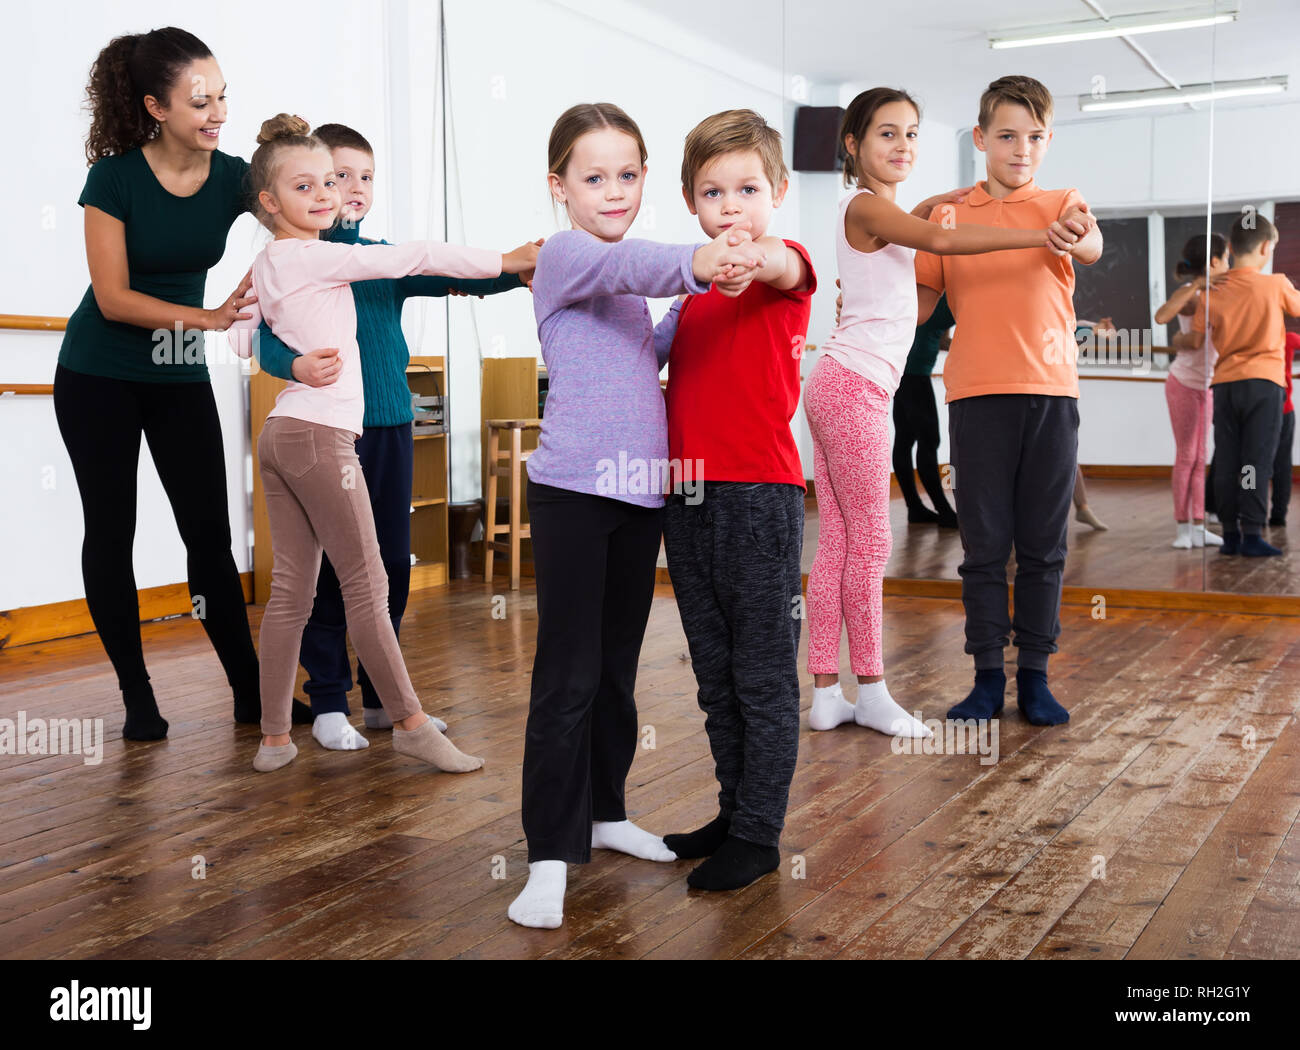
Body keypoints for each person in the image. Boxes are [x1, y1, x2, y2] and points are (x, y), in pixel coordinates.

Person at [508, 103, 765, 929]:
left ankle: (605, 812)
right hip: (576, 494)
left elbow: (647, 341)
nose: (613, 191)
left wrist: (703, 295)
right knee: (569, 675)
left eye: (627, 175)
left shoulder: (618, 279)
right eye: (593, 177)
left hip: (640, 494)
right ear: (560, 187)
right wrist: (705, 257)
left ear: (644, 178)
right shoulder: (569, 257)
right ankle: (549, 853)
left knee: (616, 670)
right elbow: (646, 268)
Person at [228, 114, 537, 772]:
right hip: (324, 436)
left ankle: (285, 735)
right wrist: (511, 258)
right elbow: (420, 257)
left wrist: (514, 273)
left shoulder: (287, 257)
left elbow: (443, 274)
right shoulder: (326, 256)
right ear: (275, 198)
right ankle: (384, 714)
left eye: (357, 179)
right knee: (359, 584)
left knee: (322, 581)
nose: (342, 190)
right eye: (324, 180)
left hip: (315, 431)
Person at [805, 85, 1076, 740]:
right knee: (868, 544)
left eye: (912, 133)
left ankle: (824, 694)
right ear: (853, 145)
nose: (903, 145)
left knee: (840, 541)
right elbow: (938, 240)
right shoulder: (870, 206)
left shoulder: (881, 210)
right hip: (856, 385)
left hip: (842, 381)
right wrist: (1035, 231)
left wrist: (940, 203)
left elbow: (918, 244)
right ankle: (870, 691)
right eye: (886, 133)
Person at [54, 28, 262, 741]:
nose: (217, 111)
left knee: (208, 534)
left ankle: (250, 692)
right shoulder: (113, 179)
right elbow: (111, 297)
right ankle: (138, 696)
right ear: (155, 106)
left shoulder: (235, 176)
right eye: (199, 99)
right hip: (97, 374)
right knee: (112, 532)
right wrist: (207, 316)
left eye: (223, 95)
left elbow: (299, 221)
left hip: (176, 375)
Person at [658, 109, 816, 891]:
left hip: (759, 496)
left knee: (762, 676)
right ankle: (733, 810)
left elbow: (780, 262)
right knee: (715, 675)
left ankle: (759, 833)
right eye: (713, 192)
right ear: (692, 202)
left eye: (748, 189)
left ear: (777, 191)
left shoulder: (781, 271)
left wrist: (756, 254)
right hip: (685, 496)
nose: (731, 207)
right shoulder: (691, 298)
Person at [914, 75, 1102, 726]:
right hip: (975, 394)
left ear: (1047, 142)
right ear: (980, 138)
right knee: (985, 546)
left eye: (1035, 137)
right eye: (1007, 135)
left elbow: (1094, 244)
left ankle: (1037, 677)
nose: (1021, 148)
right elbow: (920, 304)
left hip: (1051, 394)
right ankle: (987, 677)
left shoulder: (1062, 203)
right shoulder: (947, 215)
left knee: (1044, 546)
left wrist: (1075, 233)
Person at [1178, 215, 1300, 556]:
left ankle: (1229, 535)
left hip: (1226, 385)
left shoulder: (1212, 292)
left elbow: (1195, 339)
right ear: (1266, 247)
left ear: (1230, 248)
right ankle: (1251, 535)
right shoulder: (1276, 284)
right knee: (1256, 461)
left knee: (1228, 460)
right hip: (1264, 384)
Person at [1154, 234, 1228, 548]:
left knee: (1201, 457)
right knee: (1186, 456)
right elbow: (1161, 316)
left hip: (1207, 385)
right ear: (1213, 262)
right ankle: (1182, 527)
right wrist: (1195, 286)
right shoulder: (1191, 292)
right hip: (1183, 383)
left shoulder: (1224, 293)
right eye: (1226, 259)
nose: (1229, 264)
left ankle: (1199, 525)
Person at [894, 293, 958, 527]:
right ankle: (943, 511)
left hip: (905, 371)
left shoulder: (931, 296)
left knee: (906, 439)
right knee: (928, 439)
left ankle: (915, 508)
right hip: (913, 374)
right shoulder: (942, 296)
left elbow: (937, 336)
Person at [1269, 331, 1298, 527]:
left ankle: (1252, 511)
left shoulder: (1250, 337)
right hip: (1284, 409)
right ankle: (1279, 514)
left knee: (1251, 464)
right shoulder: (1287, 337)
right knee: (1283, 465)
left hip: (1255, 410)